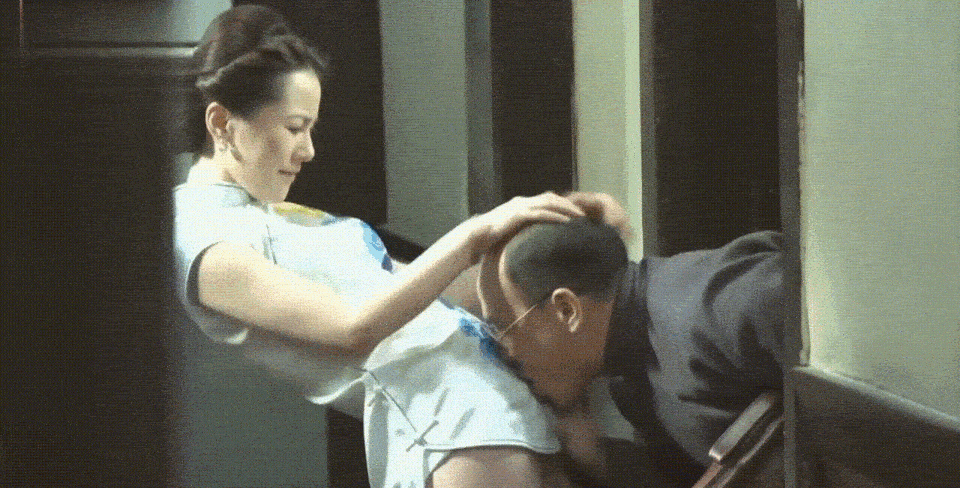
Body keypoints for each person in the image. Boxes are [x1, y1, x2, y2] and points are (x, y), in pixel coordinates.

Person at [173, 5, 602, 487]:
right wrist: (475, 233)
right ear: (221, 123)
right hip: (455, 424)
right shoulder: (197, 234)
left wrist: (553, 229)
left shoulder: (274, 216)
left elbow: (439, 293)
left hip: (507, 410)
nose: (308, 151)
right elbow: (353, 328)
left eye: (310, 129)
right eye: (294, 127)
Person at [476, 215, 784, 486]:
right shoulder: (629, 373)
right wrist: (594, 457)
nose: (505, 354)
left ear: (567, 309)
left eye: (503, 329)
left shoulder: (710, 305)